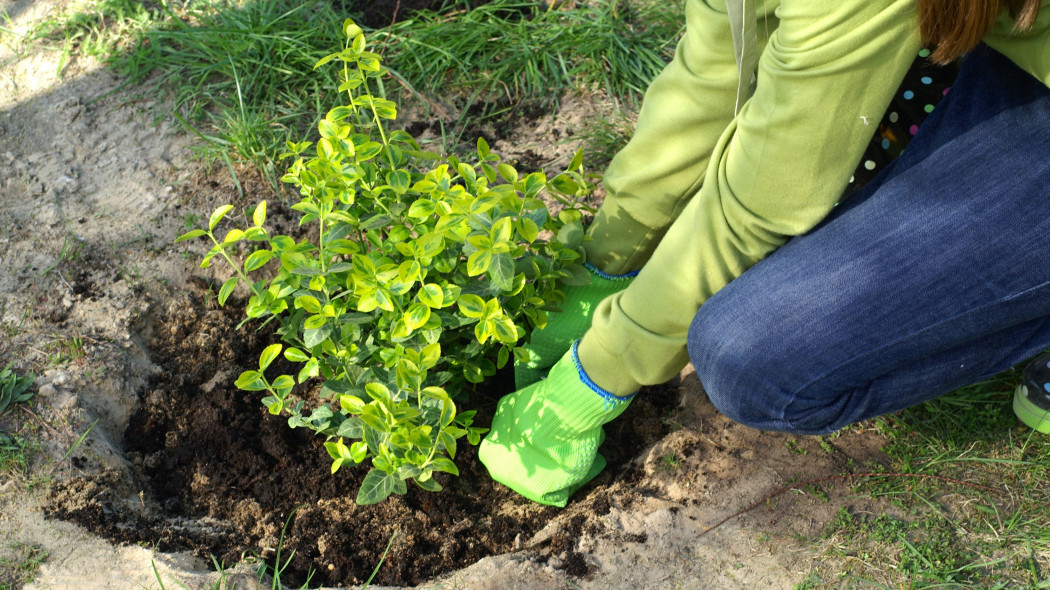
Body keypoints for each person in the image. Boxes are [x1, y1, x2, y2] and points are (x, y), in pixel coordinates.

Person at [477, 0, 1050, 507]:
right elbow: (712, 75)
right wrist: (603, 262)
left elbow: (763, 202)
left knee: (751, 358)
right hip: (1015, 57)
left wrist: (594, 379)